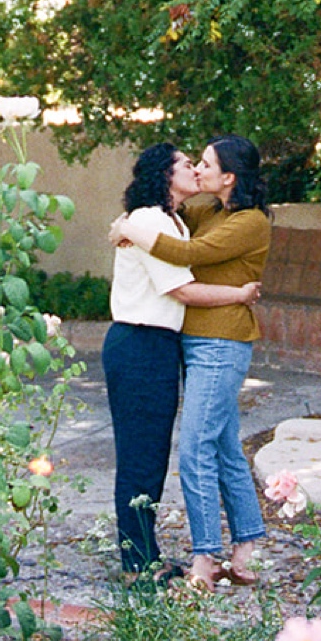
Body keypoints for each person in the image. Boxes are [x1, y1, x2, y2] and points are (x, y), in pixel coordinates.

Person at [109, 135, 271, 590]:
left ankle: (207, 557)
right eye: (190, 163)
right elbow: (162, 229)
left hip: (219, 342)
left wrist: (129, 228)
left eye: (205, 163)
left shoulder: (249, 221)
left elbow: (189, 255)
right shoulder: (202, 212)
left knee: (197, 447)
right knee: (219, 447)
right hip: (184, 342)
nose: (197, 169)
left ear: (229, 176)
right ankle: (242, 549)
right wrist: (126, 223)